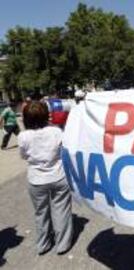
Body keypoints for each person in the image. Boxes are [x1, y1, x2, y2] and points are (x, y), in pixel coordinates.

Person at [17, 101, 73, 254]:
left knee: (41, 212)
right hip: (58, 176)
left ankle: (43, 244)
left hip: (36, 179)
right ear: (46, 115)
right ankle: (62, 244)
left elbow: (23, 156)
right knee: (61, 210)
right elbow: (64, 151)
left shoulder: (23, 136)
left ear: (26, 118)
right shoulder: (56, 132)